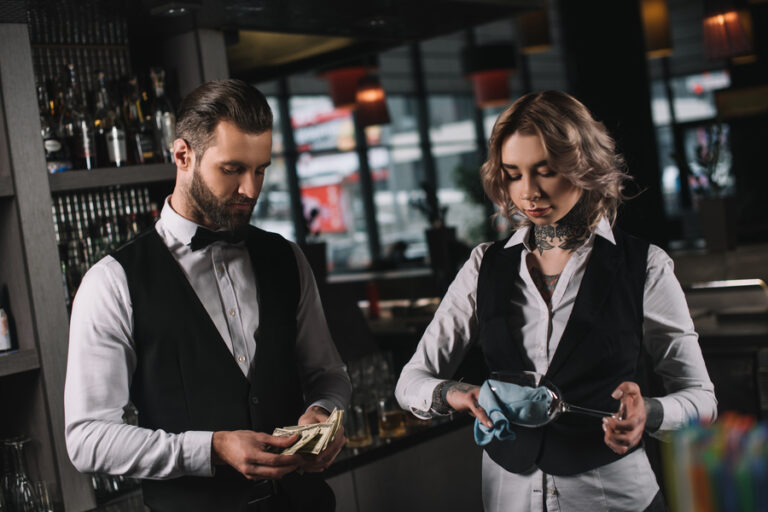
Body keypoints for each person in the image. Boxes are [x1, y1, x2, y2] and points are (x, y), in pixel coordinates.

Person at [395, 90, 717, 512]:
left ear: (583, 165)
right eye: (512, 174)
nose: (527, 192)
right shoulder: (483, 266)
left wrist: (649, 414)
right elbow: (410, 382)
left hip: (614, 500)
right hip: (508, 499)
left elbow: (701, 399)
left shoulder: (645, 265)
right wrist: (458, 394)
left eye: (545, 171)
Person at [64, 79, 352, 512]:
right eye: (233, 169)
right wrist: (211, 448)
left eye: (260, 170)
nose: (251, 190)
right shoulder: (112, 282)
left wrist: (325, 412)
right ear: (182, 155)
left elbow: (328, 373)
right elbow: (88, 439)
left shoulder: (285, 257)